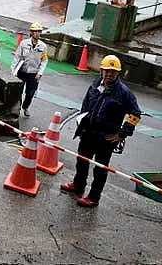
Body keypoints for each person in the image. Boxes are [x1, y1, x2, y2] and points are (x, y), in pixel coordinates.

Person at [60, 55, 141, 208]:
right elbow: (86, 104)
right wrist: (82, 123)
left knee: (100, 169)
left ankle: (93, 197)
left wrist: (122, 133)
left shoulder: (124, 93)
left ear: (118, 73)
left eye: (113, 72)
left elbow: (135, 114)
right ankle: (78, 184)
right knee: (82, 160)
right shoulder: (95, 84)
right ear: (101, 70)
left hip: (106, 138)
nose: (109, 74)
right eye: (107, 71)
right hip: (88, 132)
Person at [11, 22, 48, 117]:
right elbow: (17, 57)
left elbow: (44, 61)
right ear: (31, 32)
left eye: (39, 31)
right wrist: (13, 70)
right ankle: (16, 108)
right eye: (36, 31)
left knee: (30, 93)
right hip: (22, 71)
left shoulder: (43, 46)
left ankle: (25, 107)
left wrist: (40, 73)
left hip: (34, 73)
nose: (38, 33)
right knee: (18, 91)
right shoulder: (24, 43)